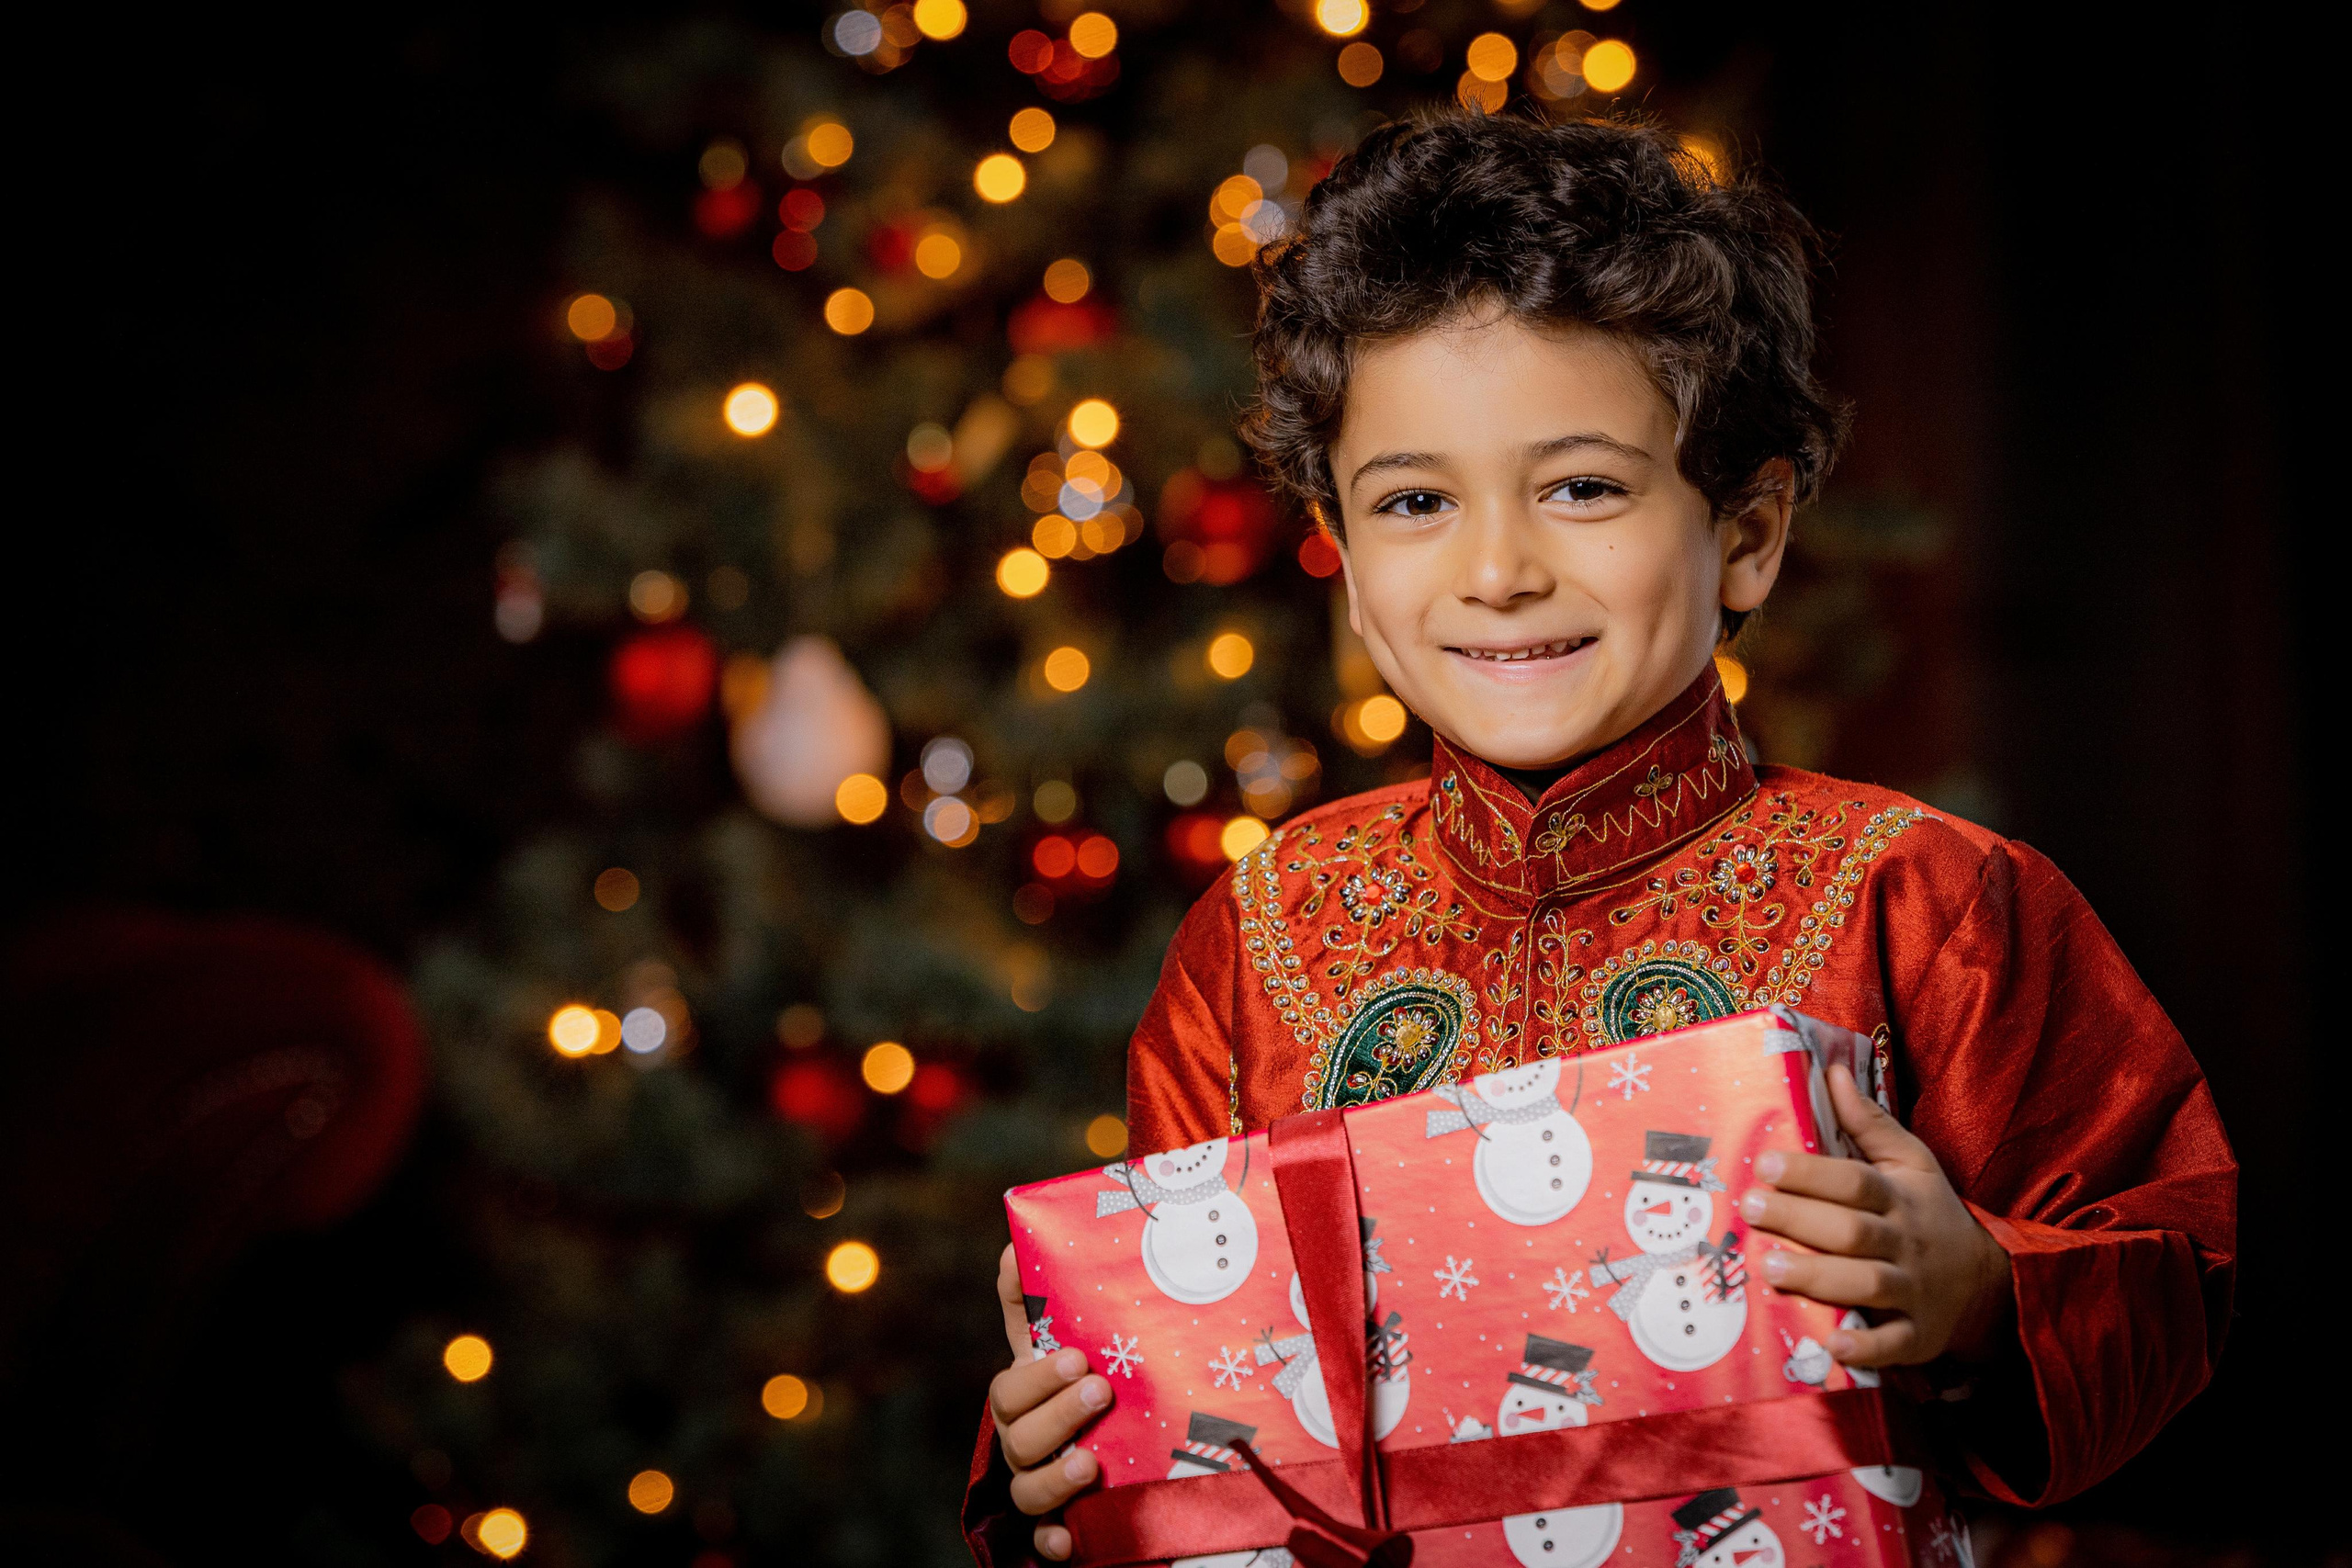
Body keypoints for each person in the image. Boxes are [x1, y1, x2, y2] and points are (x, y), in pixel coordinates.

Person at [963, 104, 2236, 1566]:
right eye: (1418, 501)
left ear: (1746, 533)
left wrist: (1978, 1296)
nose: (1499, 570)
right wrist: (1064, 1457)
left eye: (1582, 487)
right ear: (1352, 565)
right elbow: (1178, 1371)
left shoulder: (1929, 901)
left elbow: (2176, 1269)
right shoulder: (1261, 934)